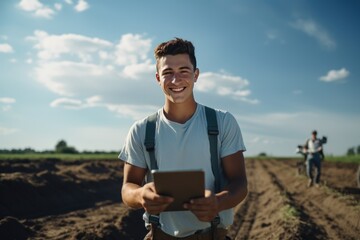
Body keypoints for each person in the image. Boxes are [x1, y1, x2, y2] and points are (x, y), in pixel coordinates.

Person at [119, 38, 248, 239]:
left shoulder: (222, 122)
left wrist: (218, 202)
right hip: (159, 234)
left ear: (196, 75)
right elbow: (128, 188)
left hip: (212, 234)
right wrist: (140, 195)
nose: (175, 80)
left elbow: (240, 183)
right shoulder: (141, 130)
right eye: (167, 73)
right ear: (157, 78)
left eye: (184, 71)